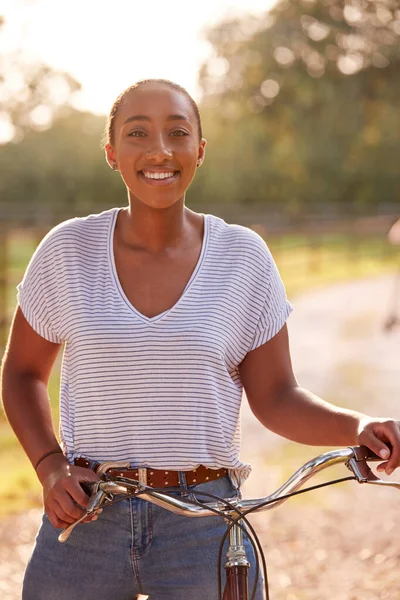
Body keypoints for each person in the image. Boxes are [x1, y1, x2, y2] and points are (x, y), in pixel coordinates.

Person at [1, 79, 400, 600]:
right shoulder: (68, 250)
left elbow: (277, 397)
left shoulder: (244, 257)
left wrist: (359, 425)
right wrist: (50, 467)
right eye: (138, 133)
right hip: (87, 515)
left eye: (178, 132)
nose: (159, 150)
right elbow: (22, 372)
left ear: (199, 150)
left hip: (205, 524)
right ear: (112, 153)